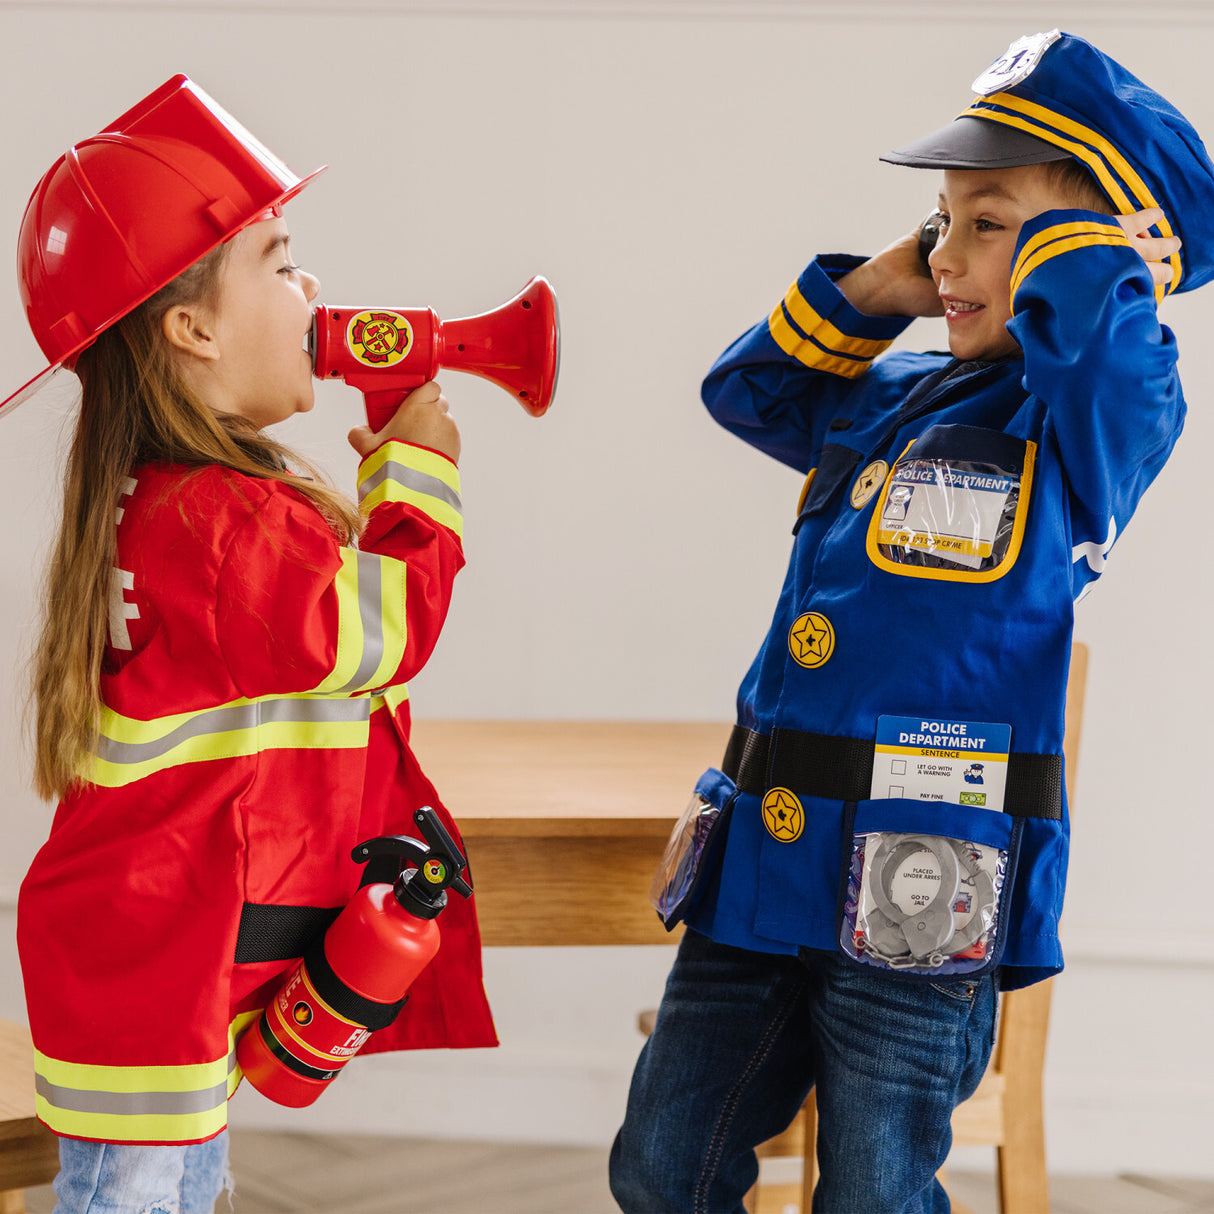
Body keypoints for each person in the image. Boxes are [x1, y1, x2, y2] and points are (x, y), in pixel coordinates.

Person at [610, 31, 1214, 1214]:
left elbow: (1103, 347)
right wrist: (898, 274)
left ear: (1099, 247)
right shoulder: (892, 391)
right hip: (762, 862)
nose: (946, 251)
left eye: (987, 222)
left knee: (874, 1189)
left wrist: (1095, 260)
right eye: (937, 218)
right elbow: (747, 390)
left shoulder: (1086, 425)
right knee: (662, 1164)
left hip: (915, 888)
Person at [7, 76, 496, 1213]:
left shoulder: (172, 499)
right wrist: (417, 470)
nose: (312, 284)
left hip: (153, 946)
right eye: (278, 258)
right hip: (161, 957)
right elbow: (380, 631)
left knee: (172, 1187)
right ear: (191, 327)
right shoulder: (221, 518)